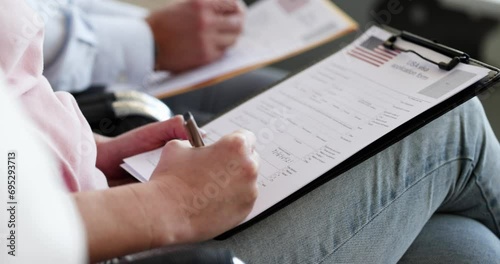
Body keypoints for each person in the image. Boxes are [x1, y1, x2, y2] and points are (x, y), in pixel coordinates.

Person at [3, 1, 500, 263]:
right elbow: (13, 236)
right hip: (110, 244)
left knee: (464, 247)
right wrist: (172, 203)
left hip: (91, 203)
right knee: (447, 121)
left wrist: (95, 152)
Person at [28, 0, 286, 124]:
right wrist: (153, 41)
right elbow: (16, 35)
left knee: (297, 100)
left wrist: (155, 29)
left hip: (100, 67)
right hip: (44, 106)